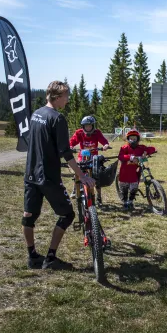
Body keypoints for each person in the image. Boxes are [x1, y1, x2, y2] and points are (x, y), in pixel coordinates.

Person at [23, 81, 95, 270]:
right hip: (48, 176)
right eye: (66, 97)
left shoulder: (36, 114)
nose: (68, 100)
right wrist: (81, 175)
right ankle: (51, 258)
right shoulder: (58, 118)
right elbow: (66, 152)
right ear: (57, 97)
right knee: (67, 214)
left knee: (29, 216)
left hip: (30, 173)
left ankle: (32, 257)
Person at [69, 116, 110, 205]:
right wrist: (71, 146)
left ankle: (99, 196)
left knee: (97, 176)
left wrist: (106, 145)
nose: (88, 128)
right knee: (77, 171)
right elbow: (72, 141)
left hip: (94, 157)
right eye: (86, 126)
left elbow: (103, 140)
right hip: (82, 157)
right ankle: (75, 189)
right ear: (83, 126)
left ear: (93, 126)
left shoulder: (97, 133)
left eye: (90, 126)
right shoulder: (79, 133)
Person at [117, 130, 156, 210]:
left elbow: (152, 148)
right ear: (128, 139)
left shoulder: (141, 148)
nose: (132, 140)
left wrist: (146, 152)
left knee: (134, 188)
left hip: (135, 172)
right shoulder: (124, 148)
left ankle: (130, 201)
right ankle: (125, 202)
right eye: (131, 138)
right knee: (124, 187)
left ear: (138, 139)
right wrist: (130, 157)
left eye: (134, 138)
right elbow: (121, 156)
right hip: (125, 172)